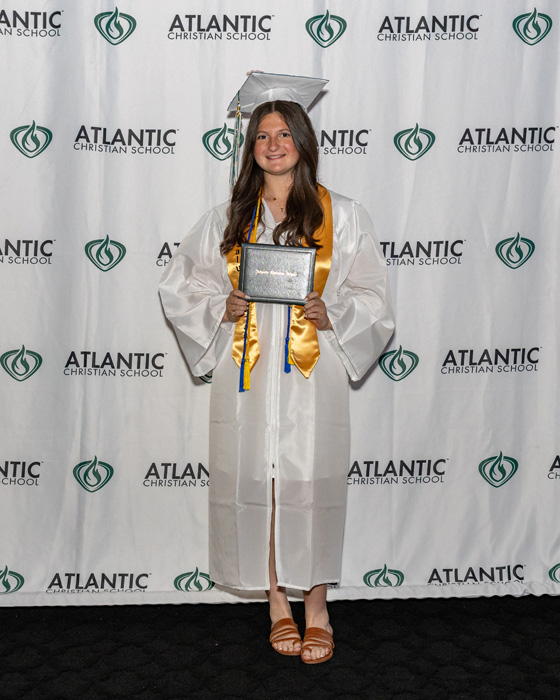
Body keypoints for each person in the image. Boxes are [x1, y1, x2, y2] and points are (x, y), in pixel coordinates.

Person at [159, 72, 394, 664]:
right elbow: (181, 286)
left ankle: (316, 607)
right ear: (251, 147)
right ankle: (276, 604)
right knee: (259, 483)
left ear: (303, 142)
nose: (273, 143)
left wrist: (333, 312)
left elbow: (373, 296)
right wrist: (222, 306)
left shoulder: (345, 216)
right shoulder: (228, 219)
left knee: (309, 485)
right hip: (250, 373)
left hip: (314, 375)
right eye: (262, 135)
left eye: (284, 133)